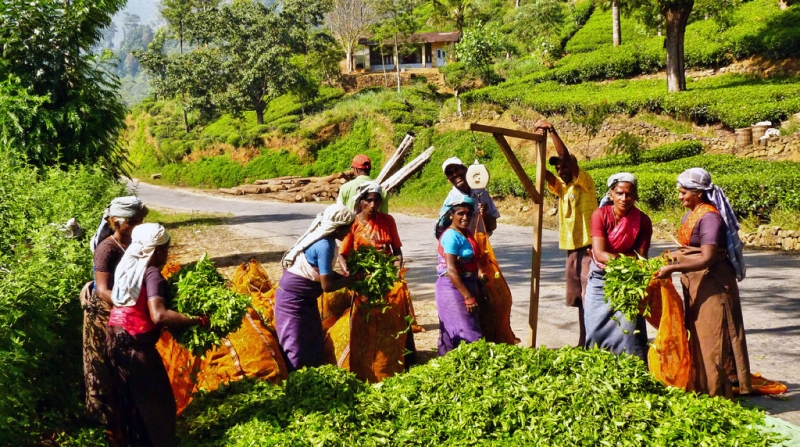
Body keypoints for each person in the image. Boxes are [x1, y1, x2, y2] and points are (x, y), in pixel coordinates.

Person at [654, 168, 751, 399]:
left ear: (698, 192)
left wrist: (672, 267)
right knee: (696, 335)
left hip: (713, 284)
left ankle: (716, 393)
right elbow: (689, 250)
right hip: (696, 282)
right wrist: (666, 259)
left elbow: (706, 257)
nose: (679, 197)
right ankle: (702, 388)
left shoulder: (709, 217)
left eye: (683, 192)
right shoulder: (690, 214)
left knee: (712, 339)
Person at [106, 223, 205, 447]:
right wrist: (197, 320)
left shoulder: (127, 265)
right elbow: (159, 315)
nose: (167, 254)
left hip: (114, 339)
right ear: (157, 251)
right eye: (166, 249)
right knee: (160, 408)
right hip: (135, 348)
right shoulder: (151, 273)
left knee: (132, 407)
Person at [80, 196, 147, 433]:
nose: (138, 225)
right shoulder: (106, 249)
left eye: (141, 221)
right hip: (104, 315)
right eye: (134, 221)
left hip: (125, 314)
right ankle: (102, 426)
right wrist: (130, 305)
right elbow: (103, 290)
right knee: (102, 370)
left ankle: (130, 422)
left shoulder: (136, 244)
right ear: (117, 222)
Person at [339, 181, 418, 373]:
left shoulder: (388, 221)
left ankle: (402, 359)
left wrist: (396, 272)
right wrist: (350, 274)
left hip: (386, 276)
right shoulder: (354, 223)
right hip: (363, 278)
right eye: (369, 200)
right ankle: (363, 362)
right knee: (364, 321)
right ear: (360, 202)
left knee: (396, 317)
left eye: (377, 201)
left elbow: (397, 250)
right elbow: (343, 254)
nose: (373, 205)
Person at [536, 119, 598, 348]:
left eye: (564, 166)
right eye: (558, 167)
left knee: (591, 297)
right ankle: (583, 340)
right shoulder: (561, 189)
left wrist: (552, 131)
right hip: (572, 251)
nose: (560, 170)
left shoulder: (585, 184)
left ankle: (593, 341)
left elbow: (566, 156)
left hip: (589, 248)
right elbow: (542, 172)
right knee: (579, 300)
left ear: (574, 166)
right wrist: (538, 143)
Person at [275, 203, 358, 372]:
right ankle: (294, 384)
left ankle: (313, 378)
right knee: (295, 345)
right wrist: (354, 278)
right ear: (336, 229)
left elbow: (323, 272)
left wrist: (348, 278)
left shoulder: (328, 241)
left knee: (312, 340)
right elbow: (327, 285)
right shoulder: (324, 245)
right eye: (347, 228)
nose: (349, 232)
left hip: (306, 299)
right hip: (292, 300)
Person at [584, 173, 652, 362]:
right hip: (600, 278)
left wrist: (627, 265)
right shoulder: (600, 216)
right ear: (611, 194)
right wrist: (625, 261)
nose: (624, 198)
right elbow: (599, 253)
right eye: (619, 193)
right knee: (595, 328)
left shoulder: (643, 221)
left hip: (629, 280)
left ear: (635, 196)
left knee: (630, 331)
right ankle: (597, 366)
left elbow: (642, 257)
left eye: (629, 194)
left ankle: (633, 367)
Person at [435, 195, 484, 355]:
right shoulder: (451, 236)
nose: (465, 217)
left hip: (466, 284)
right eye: (460, 213)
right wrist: (468, 297)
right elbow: (451, 270)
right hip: (453, 288)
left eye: (468, 214)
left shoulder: (465, 234)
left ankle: (447, 367)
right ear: (451, 215)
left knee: (455, 330)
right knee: (467, 334)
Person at [438, 157, 499, 236]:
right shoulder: (451, 202)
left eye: (457, 169)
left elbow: (493, 226)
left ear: (466, 170)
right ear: (448, 180)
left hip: (482, 245)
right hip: (462, 247)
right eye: (450, 173)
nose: (455, 174)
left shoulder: (482, 193)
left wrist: (484, 215)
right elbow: (444, 233)